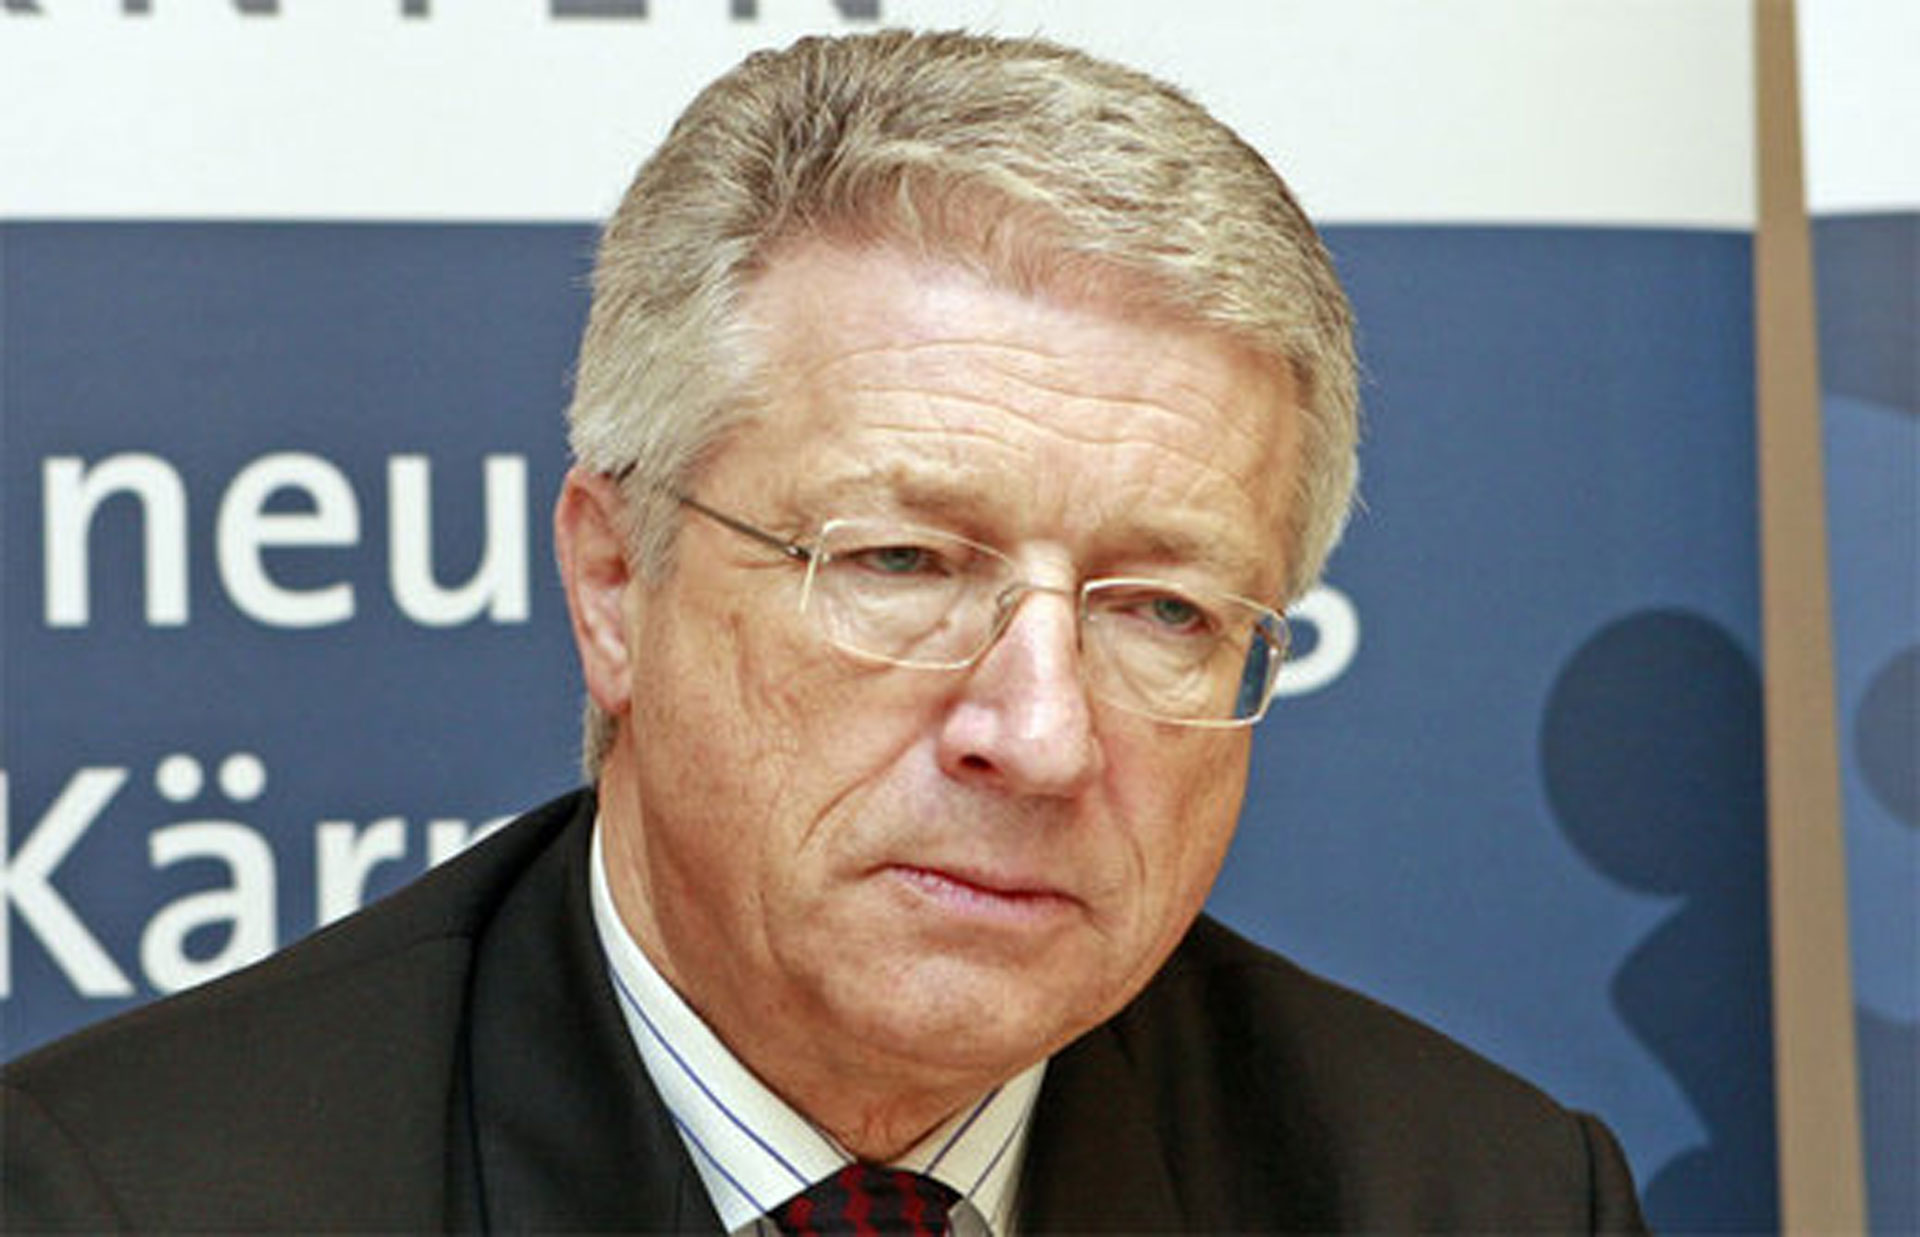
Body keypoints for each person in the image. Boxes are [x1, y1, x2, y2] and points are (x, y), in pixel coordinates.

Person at [1, 29, 1648, 1235]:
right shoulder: (125, 1198)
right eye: (905, 562)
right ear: (614, 583)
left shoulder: (1478, 1197)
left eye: (1163, 606)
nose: (1042, 733)